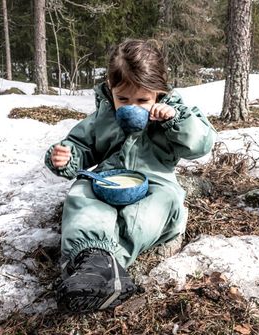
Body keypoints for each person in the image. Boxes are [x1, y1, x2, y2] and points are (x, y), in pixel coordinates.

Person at [45, 38, 216, 314]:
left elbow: (202, 142)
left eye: (142, 100)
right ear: (110, 89)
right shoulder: (104, 115)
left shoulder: (172, 112)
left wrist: (174, 120)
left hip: (156, 183)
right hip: (110, 178)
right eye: (122, 98)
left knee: (149, 211)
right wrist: (65, 156)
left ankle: (108, 269)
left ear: (158, 92)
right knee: (81, 195)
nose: (131, 107)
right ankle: (90, 259)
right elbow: (81, 145)